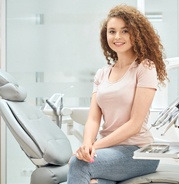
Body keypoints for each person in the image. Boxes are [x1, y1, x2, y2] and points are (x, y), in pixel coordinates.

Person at [68, 4, 168, 184]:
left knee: (79, 164)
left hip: (138, 151)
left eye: (125, 31)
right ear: (105, 35)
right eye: (112, 31)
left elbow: (135, 124)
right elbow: (93, 119)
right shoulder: (102, 74)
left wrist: (93, 148)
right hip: (108, 150)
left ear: (136, 34)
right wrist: (87, 144)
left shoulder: (145, 68)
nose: (117, 37)